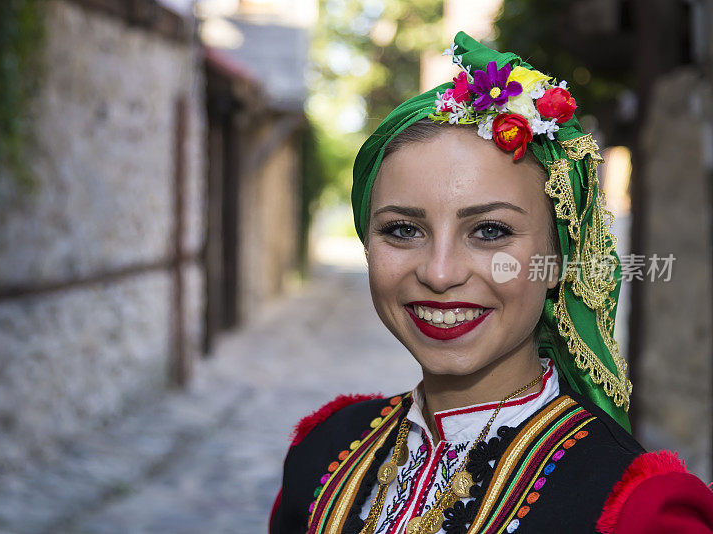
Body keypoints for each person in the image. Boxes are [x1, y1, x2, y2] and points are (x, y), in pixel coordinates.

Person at [270, 32, 713, 534]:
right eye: (403, 230)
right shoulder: (324, 452)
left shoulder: (635, 509)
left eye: (490, 231)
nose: (440, 273)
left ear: (558, 259)